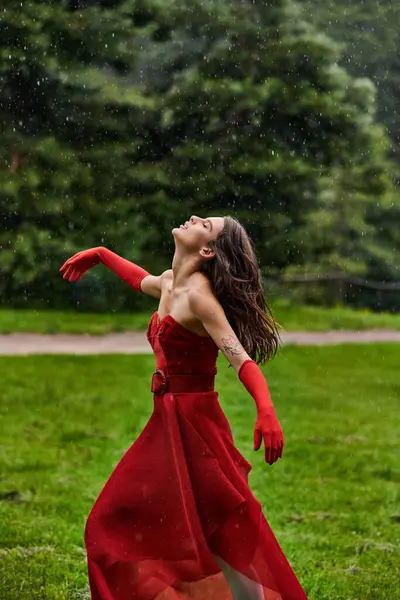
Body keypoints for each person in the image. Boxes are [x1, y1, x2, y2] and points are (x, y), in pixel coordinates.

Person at [60, 215, 309, 600]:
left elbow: (241, 359)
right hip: (166, 424)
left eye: (205, 224)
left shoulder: (199, 297)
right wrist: (102, 254)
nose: (194, 218)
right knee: (120, 522)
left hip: (197, 428)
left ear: (207, 250)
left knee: (221, 533)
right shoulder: (169, 281)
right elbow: (138, 278)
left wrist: (267, 410)